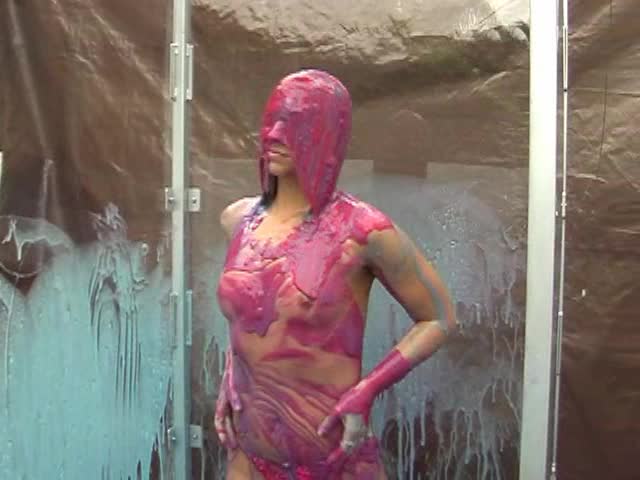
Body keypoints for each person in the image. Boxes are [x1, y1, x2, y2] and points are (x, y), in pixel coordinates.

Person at [215, 69, 456, 480]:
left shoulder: (363, 232)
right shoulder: (238, 221)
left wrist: (368, 390)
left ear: (329, 135)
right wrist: (232, 370)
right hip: (248, 456)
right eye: (271, 119)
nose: (274, 134)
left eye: (294, 123)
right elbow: (248, 317)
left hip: (334, 460)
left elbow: (440, 317)